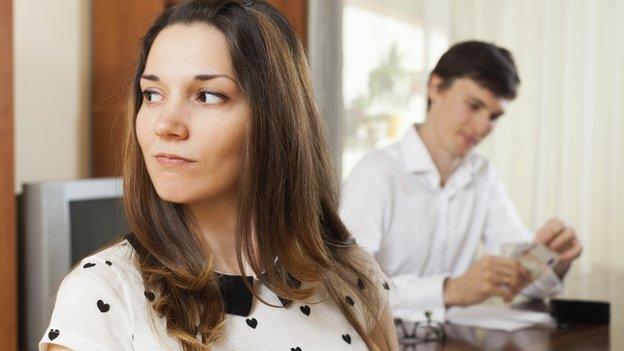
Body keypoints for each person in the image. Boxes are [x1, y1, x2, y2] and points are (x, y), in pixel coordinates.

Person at [40, 1, 398, 350]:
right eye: (152, 94)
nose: (166, 124)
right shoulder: (103, 294)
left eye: (207, 96)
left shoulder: (353, 276)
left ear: (275, 119)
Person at [340, 41, 583, 322]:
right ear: (436, 87)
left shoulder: (483, 174)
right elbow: (350, 288)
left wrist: (551, 259)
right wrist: (448, 290)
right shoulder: (375, 174)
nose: (482, 127)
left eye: (494, 116)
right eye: (474, 106)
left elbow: (519, 281)